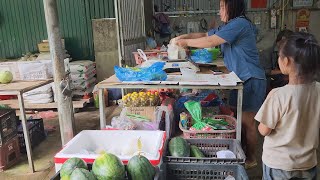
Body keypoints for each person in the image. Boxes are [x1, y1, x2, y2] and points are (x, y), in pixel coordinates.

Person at [172, 0, 266, 168]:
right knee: (239, 120)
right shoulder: (228, 26)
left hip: (251, 78)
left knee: (248, 122)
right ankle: (243, 152)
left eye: (223, 7)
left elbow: (211, 42)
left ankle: (252, 158)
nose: (219, 10)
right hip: (241, 78)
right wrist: (182, 37)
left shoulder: (240, 24)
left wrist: (186, 43)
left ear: (233, 7)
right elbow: (204, 35)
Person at [255, 32, 320, 180]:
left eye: (280, 56)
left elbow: (264, 130)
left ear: (287, 62)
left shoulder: (278, 95)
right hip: (308, 163)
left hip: (279, 164)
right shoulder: (318, 90)